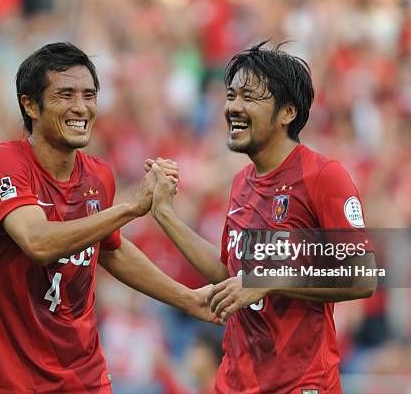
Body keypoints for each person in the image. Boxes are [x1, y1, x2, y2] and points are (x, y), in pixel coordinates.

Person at [0, 42, 217, 394]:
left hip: (85, 377)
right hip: (11, 379)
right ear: (29, 105)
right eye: (65, 95)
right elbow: (37, 242)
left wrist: (188, 298)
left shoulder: (98, 176)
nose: (81, 107)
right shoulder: (3, 163)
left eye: (89, 95)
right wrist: (130, 208)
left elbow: (112, 251)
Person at [148, 42, 376, 393]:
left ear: (287, 112)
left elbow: (361, 277)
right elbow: (229, 273)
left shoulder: (323, 176)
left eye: (250, 98)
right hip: (235, 382)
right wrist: (165, 215)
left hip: (300, 383)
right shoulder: (242, 182)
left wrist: (266, 279)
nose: (234, 107)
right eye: (231, 95)